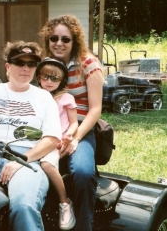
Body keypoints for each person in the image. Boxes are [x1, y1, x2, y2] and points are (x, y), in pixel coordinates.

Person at [0, 41, 62, 230]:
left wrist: (21, 160)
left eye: (31, 64)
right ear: (8, 67)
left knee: (24, 206)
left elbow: (51, 139)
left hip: (27, 159)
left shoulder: (44, 98)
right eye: (20, 63)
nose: (26, 68)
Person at [39, 15, 104, 230]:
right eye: (53, 38)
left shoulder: (88, 63)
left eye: (65, 39)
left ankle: (84, 225)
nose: (59, 43)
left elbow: (95, 109)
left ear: (74, 41)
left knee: (83, 172)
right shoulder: (46, 65)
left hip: (81, 129)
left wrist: (74, 138)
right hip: (47, 130)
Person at [35, 57, 78, 230]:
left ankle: (64, 202)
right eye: (45, 77)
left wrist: (69, 135)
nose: (49, 82)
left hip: (56, 142)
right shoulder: (34, 95)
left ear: (62, 81)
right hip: (36, 139)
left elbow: (74, 122)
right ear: (38, 77)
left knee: (46, 164)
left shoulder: (65, 98)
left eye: (55, 78)